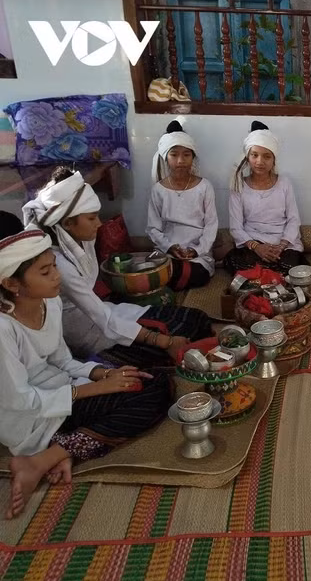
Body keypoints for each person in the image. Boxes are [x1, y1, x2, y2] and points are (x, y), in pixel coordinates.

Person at [0, 230, 171, 519]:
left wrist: (102, 374)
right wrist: (95, 389)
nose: (56, 276)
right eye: (45, 271)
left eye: (54, 265)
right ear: (12, 284)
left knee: (146, 376)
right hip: (30, 419)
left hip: (63, 390)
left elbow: (63, 361)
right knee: (155, 390)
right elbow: (22, 401)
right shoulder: (4, 330)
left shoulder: (49, 302)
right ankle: (41, 458)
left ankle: (61, 451)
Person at [22, 167, 212, 364]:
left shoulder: (80, 238)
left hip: (105, 311)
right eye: (91, 218)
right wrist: (165, 341)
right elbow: (100, 316)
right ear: (68, 223)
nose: (99, 223)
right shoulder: (56, 263)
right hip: (85, 330)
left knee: (196, 319)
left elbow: (101, 309)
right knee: (161, 362)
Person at [224, 121, 306, 275]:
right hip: (253, 244)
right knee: (234, 261)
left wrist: (280, 246)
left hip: (283, 244)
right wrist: (257, 247)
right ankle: (266, 278)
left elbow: (294, 220)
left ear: (274, 159)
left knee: (290, 267)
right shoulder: (238, 186)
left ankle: (263, 278)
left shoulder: (284, 183)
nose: (260, 162)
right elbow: (236, 228)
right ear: (247, 157)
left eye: (266, 156)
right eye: (254, 155)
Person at [147, 120, 218, 290]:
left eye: (186, 154)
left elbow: (211, 225)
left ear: (193, 157)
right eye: (174, 155)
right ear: (165, 157)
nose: (180, 160)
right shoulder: (158, 190)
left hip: (198, 253)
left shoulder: (205, 186)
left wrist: (196, 250)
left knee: (198, 274)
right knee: (157, 268)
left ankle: (173, 279)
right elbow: (153, 228)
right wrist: (170, 248)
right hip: (168, 253)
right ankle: (175, 276)